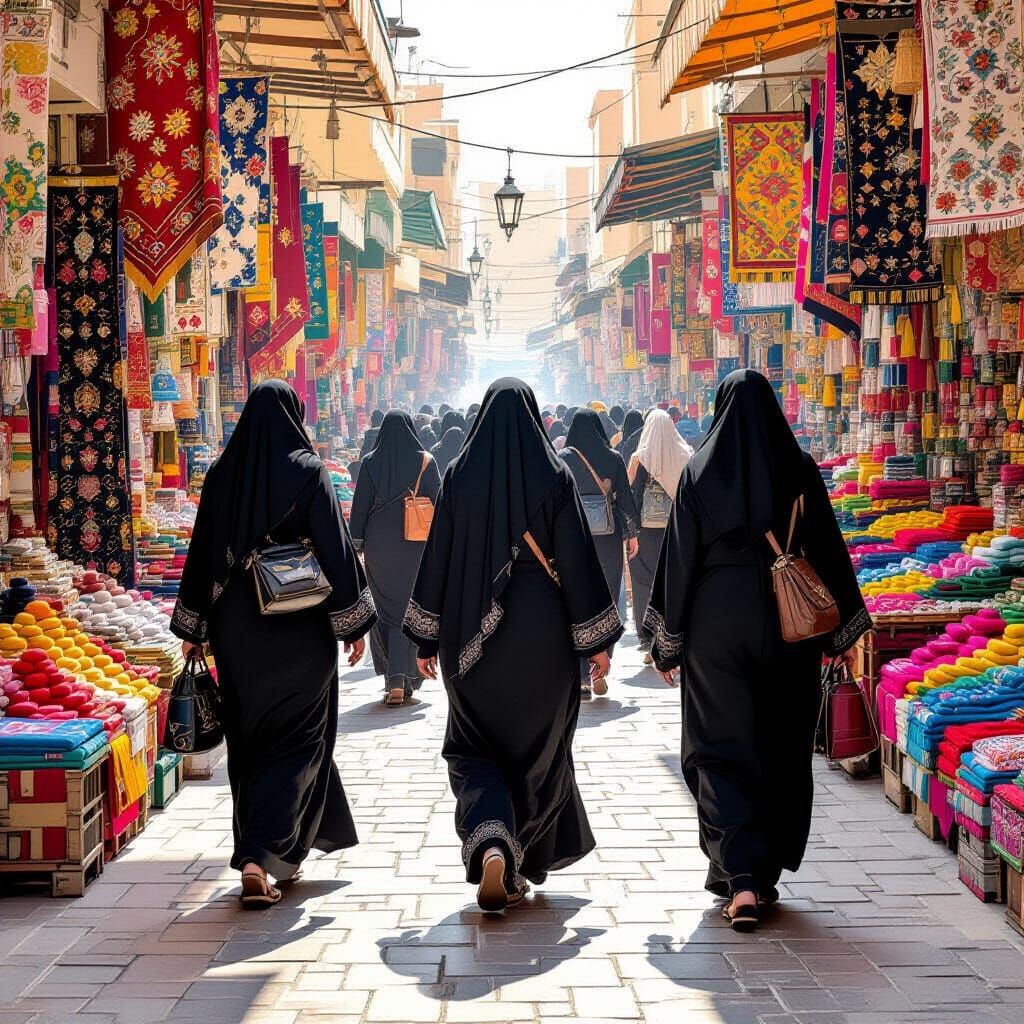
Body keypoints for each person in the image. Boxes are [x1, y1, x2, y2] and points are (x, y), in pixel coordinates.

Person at [645, 370, 870, 931]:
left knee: (720, 747)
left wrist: (666, 642)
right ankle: (760, 873)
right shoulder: (797, 469)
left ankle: (740, 878)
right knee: (778, 743)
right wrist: (839, 636)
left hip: (715, 627)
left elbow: (680, 559)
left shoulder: (699, 471)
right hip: (787, 627)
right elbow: (827, 549)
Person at [403, 379, 622, 912]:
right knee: (539, 751)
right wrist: (597, 640)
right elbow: (576, 561)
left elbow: (437, 559)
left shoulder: (458, 476)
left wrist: (424, 635)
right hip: (543, 643)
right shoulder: (554, 475)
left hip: (470, 644)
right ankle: (515, 851)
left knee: (472, 748)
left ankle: (493, 839)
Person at [171, 380, 376, 908]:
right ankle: (262, 856)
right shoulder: (309, 472)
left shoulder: (221, 472)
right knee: (300, 740)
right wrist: (353, 622)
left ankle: (269, 849)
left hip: (237, 630)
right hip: (299, 623)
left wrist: (193, 628)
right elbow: (334, 546)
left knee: (251, 738)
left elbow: (202, 551)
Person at [350, 411, 441, 706]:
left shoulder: (371, 462)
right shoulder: (426, 461)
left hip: (380, 544)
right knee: (410, 607)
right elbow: (439, 505)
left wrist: (357, 544)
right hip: (417, 545)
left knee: (386, 609)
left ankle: (395, 678)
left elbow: (360, 504)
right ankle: (404, 676)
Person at [561, 409, 639, 697]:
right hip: (608, 540)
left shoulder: (564, 459)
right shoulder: (612, 458)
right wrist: (631, 535)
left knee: (575, 600)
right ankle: (600, 667)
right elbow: (625, 500)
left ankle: (581, 674)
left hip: (574, 540)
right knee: (605, 600)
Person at [628, 409, 693, 662]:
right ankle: (671, 633)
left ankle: (647, 635)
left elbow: (631, 494)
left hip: (645, 533)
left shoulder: (639, 458)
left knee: (644, 581)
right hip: (674, 530)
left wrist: (630, 531)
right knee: (671, 581)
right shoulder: (685, 454)